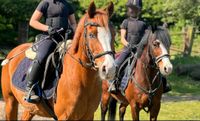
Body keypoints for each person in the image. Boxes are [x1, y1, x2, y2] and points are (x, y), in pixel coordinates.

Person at [108, 0, 171, 94]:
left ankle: (164, 84)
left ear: (139, 10)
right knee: (117, 63)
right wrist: (128, 44)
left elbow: (147, 37)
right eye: (130, 8)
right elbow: (122, 38)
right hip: (127, 49)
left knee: (157, 63)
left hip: (140, 50)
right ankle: (113, 83)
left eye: (134, 9)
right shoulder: (125, 22)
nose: (132, 10)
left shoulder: (144, 23)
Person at [24, 0, 77, 102]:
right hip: (49, 37)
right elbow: (33, 21)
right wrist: (48, 28)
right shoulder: (45, 3)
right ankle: (30, 87)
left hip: (65, 38)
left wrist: (72, 29)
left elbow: (73, 22)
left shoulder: (67, 4)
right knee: (41, 56)